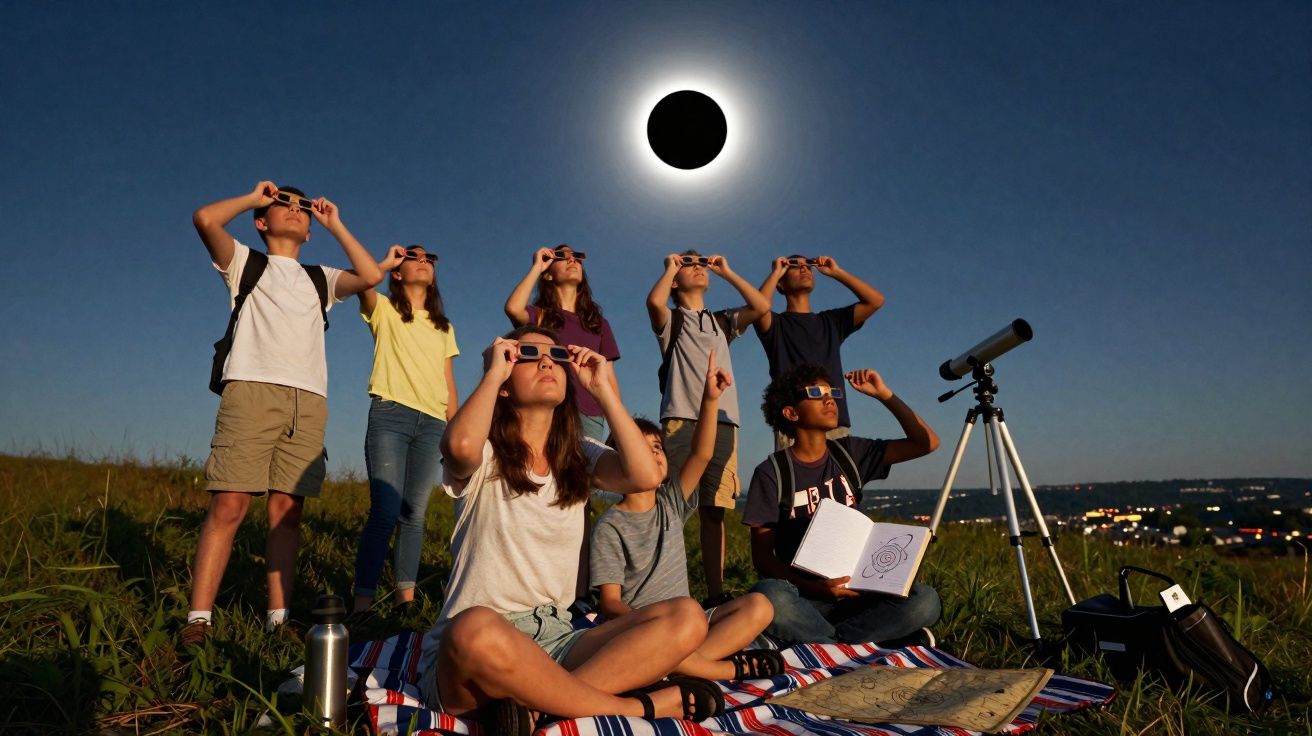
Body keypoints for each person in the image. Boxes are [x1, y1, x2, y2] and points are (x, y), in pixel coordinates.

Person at [418, 327, 725, 729]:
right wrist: (492, 376)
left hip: (557, 638)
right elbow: (457, 447)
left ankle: (540, 707)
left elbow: (646, 475)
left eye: (556, 355)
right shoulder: (486, 451)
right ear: (505, 377)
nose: (547, 361)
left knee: (687, 617)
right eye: (528, 353)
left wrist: (603, 391)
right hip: (483, 646)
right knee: (473, 629)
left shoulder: (579, 455)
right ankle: (634, 707)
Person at [182, 181, 383, 645]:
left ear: (311, 230)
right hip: (251, 390)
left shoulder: (321, 278)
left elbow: (371, 275)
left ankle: (278, 618)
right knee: (229, 503)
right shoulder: (244, 263)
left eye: (302, 209)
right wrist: (254, 196)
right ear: (261, 221)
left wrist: (335, 223)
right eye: (282, 205)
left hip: (308, 400)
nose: (294, 211)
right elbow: (204, 218)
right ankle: (198, 619)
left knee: (287, 512)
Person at [590, 352, 783, 681]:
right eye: (641, 446)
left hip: (693, 624)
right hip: (650, 627)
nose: (653, 453)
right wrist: (650, 626)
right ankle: (703, 667)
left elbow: (702, 453)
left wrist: (710, 399)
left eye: (657, 447)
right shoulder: (609, 526)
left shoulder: (671, 504)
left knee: (759, 606)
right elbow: (611, 605)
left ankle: (679, 665)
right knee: (673, 630)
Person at [743, 364, 943, 647]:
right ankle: (870, 643)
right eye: (816, 393)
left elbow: (927, 442)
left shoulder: (849, 453)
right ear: (791, 412)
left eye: (832, 393)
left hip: (861, 592)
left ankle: (830, 645)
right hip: (806, 598)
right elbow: (763, 559)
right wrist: (818, 590)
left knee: (926, 601)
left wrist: (884, 395)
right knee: (769, 596)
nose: (829, 400)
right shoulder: (771, 472)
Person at [646, 250, 769, 607]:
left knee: (714, 511)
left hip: (725, 421)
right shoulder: (673, 320)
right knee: (674, 508)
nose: (697, 266)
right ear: (675, 279)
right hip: (682, 420)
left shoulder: (721, 321)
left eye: (701, 263)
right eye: (689, 263)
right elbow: (654, 301)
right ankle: (665, 588)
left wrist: (727, 272)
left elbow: (760, 306)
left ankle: (715, 594)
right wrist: (669, 267)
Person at [351, 244, 459, 620]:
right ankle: (362, 604)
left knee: (414, 513)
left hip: (432, 423)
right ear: (398, 271)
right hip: (390, 414)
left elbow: (448, 380)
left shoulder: (444, 326)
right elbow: (364, 279)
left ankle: (405, 603)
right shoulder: (383, 308)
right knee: (384, 511)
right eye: (416, 256)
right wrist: (386, 261)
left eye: (431, 257)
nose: (425, 260)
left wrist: (455, 430)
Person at [754, 255, 885, 449]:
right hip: (794, 423)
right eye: (794, 266)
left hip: (833, 421)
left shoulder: (831, 322)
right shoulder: (776, 325)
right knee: (797, 479)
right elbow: (757, 307)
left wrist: (837, 273)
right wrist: (775, 273)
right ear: (781, 284)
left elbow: (875, 301)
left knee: (839, 479)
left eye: (808, 265)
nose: (804, 268)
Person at [504, 244, 621, 442]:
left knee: (584, 471)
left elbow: (608, 375)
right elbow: (514, 308)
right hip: (550, 406)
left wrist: (617, 421)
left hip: (591, 413)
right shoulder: (540, 316)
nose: (571, 259)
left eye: (576, 256)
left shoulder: (599, 324)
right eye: (562, 256)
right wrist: (537, 267)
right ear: (548, 275)